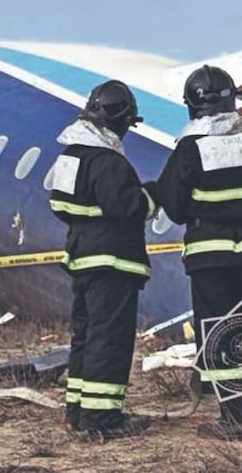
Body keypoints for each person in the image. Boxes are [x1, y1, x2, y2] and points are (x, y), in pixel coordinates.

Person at [146, 65, 242, 440]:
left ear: (192, 104)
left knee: (221, 333)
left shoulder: (191, 146)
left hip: (210, 256)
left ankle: (235, 420)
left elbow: (173, 205)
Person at [48, 80, 154, 441]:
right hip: (112, 264)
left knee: (87, 335)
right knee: (110, 338)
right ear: (122, 120)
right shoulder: (108, 162)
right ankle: (102, 417)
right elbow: (128, 208)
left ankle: (78, 410)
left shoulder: (70, 156)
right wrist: (152, 196)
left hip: (81, 260)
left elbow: (59, 205)